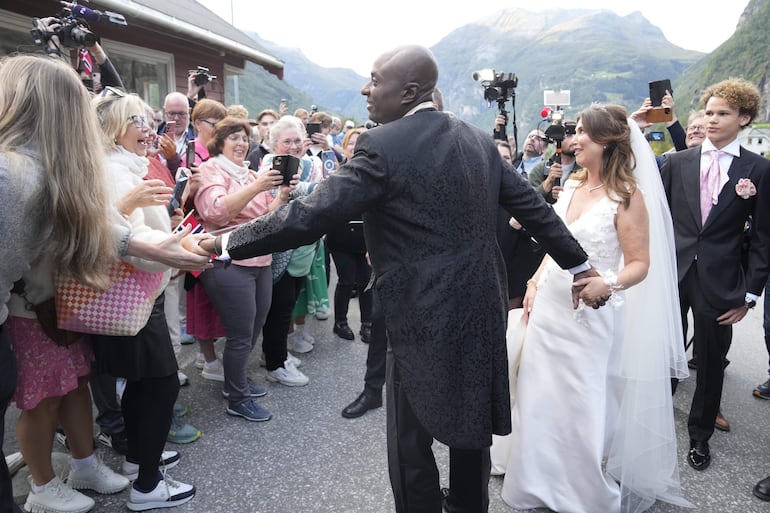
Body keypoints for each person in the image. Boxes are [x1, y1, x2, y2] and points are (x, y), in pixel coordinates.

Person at [201, 44, 597, 513]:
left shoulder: (382, 145)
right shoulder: (476, 139)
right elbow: (534, 208)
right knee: (472, 425)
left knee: (410, 435)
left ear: (409, 91)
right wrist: (580, 266)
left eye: (375, 79)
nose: (366, 89)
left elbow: (311, 214)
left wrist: (226, 243)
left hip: (419, 310)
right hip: (481, 301)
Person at [0, 54, 211, 513]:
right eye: (137, 119)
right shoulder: (19, 169)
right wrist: (158, 243)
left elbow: (86, 227)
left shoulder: (64, 165)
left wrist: (164, 242)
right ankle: (41, 484)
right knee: (43, 399)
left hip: (65, 302)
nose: (149, 127)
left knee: (73, 386)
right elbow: (87, 232)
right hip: (31, 306)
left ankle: (84, 462)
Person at [500, 104, 690, 513]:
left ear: (606, 141)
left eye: (583, 131)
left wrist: (609, 281)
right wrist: (534, 282)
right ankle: (535, 480)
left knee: (581, 399)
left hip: (592, 314)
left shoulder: (627, 197)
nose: (573, 138)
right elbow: (556, 248)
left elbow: (640, 264)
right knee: (539, 393)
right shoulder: (571, 186)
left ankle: (582, 491)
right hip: (550, 306)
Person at [91, 91, 197, 510]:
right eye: (138, 120)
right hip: (132, 293)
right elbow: (128, 240)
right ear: (114, 128)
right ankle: (149, 486)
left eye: (148, 119)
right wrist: (177, 250)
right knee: (160, 385)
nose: (149, 128)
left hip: (135, 292)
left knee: (141, 383)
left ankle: (139, 460)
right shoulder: (117, 171)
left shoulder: (127, 166)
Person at [662, 78, 770, 471]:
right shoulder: (676, 163)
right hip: (673, 277)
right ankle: (653, 428)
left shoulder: (757, 169)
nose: (712, 119)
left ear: (743, 118)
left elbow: (762, 238)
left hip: (721, 283)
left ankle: (700, 437)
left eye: (723, 113)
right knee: (664, 356)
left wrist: (750, 294)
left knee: (709, 365)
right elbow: (653, 219)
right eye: (709, 111)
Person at [194, 116, 288, 421]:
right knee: (240, 334)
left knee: (255, 327)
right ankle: (237, 397)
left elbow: (264, 214)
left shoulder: (249, 174)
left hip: (260, 259)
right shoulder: (210, 170)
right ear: (219, 142)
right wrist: (259, 184)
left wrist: (282, 195)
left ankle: (236, 382)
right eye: (234, 137)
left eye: (245, 138)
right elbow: (216, 212)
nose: (242, 143)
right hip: (226, 260)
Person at [325, 127, 373, 341]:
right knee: (346, 280)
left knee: (365, 282)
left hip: (366, 238)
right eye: (352, 143)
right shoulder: (336, 174)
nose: (356, 147)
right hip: (341, 237)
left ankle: (367, 323)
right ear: (344, 148)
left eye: (360, 142)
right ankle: (340, 322)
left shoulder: (374, 173)